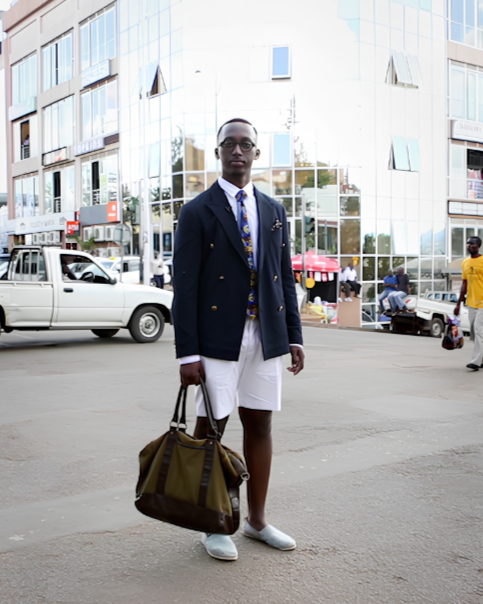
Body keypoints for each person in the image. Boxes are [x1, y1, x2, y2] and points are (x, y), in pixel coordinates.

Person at [172, 118, 304, 562]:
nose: (237, 151)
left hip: (264, 335)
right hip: (216, 340)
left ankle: (257, 521)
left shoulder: (273, 210)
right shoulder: (197, 211)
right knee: (211, 429)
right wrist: (187, 354)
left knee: (261, 424)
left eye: (246, 144)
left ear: (256, 154)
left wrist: (293, 335)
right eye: (229, 143)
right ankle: (213, 523)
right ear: (217, 152)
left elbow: (283, 276)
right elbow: (184, 288)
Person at [455, 236, 483, 371]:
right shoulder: (465, 263)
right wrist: (458, 303)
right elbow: (464, 283)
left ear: (478, 246)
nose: (468, 246)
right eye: (467, 243)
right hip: (471, 303)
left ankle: (475, 362)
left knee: (478, 330)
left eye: (471, 244)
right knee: (474, 332)